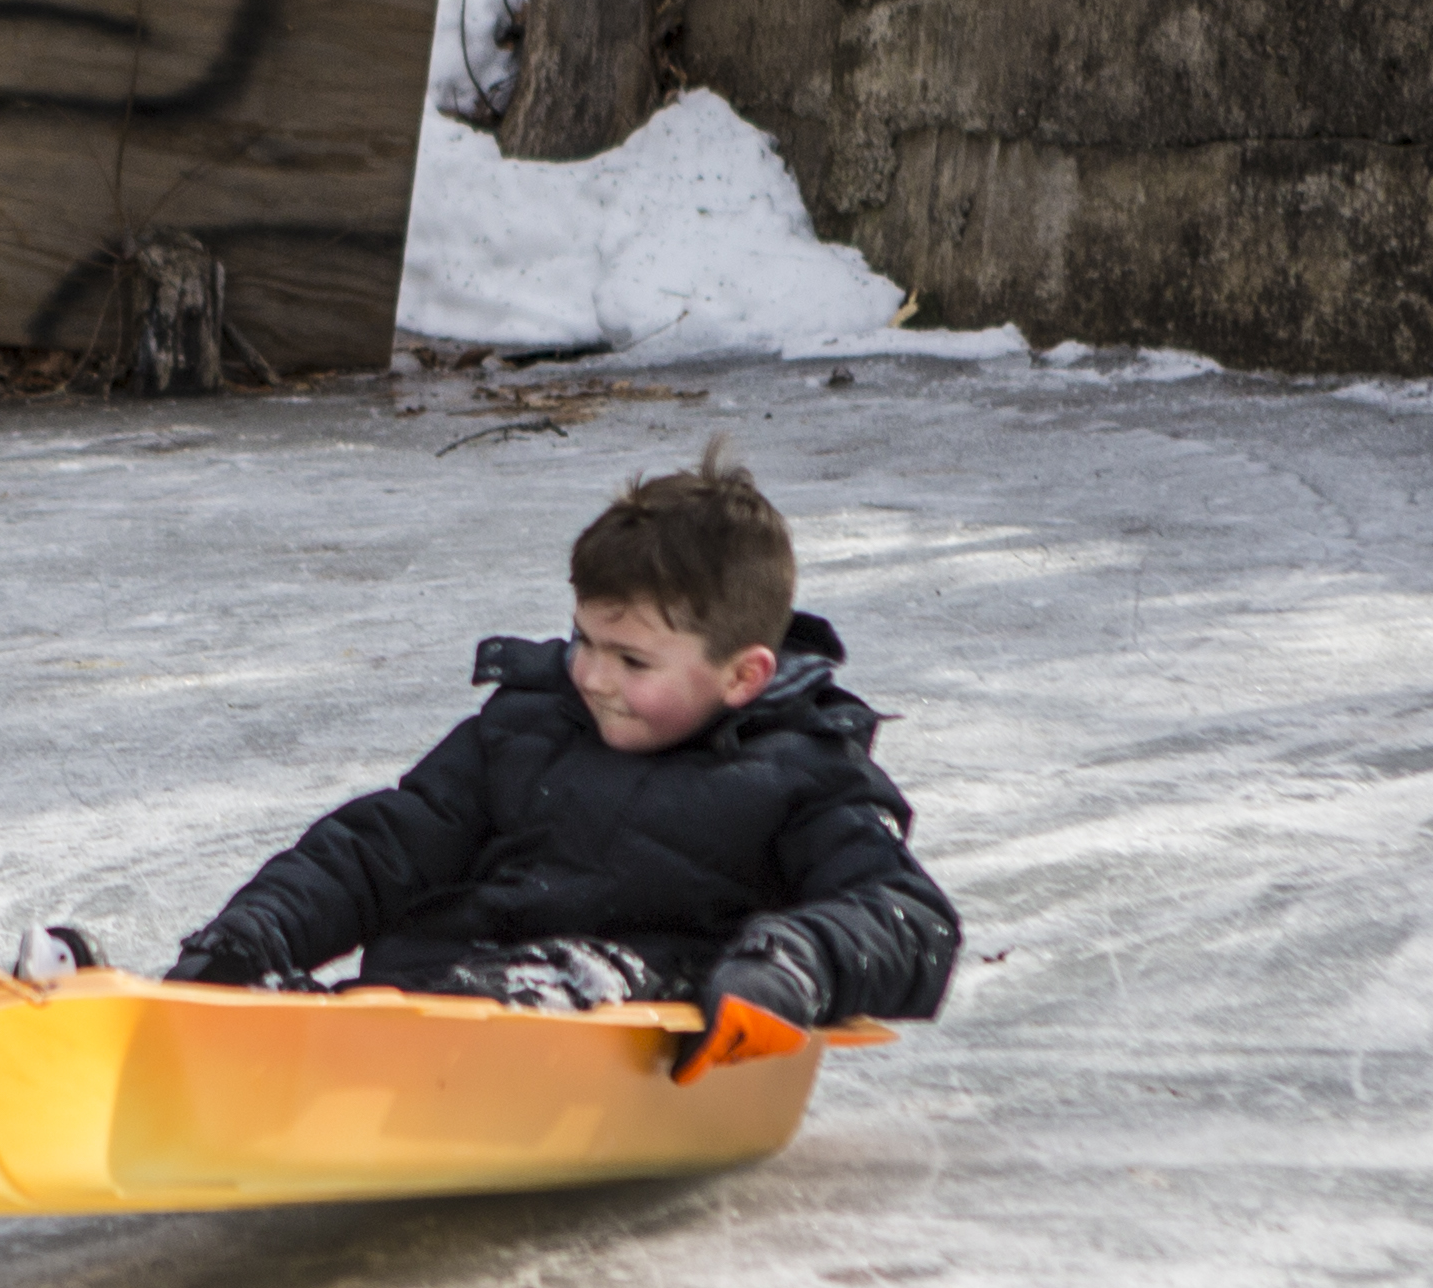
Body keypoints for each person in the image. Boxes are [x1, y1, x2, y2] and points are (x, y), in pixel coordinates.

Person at [155, 442, 957, 1074]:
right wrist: (253, 933)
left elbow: (907, 918)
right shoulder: (528, 728)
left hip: (637, 1027)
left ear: (742, 674)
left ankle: (434, 1039)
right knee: (408, 969)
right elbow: (381, 846)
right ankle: (284, 1025)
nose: (594, 678)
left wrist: (789, 967)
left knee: (570, 978)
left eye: (632, 662)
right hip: (436, 1001)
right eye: (584, 641)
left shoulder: (804, 776)